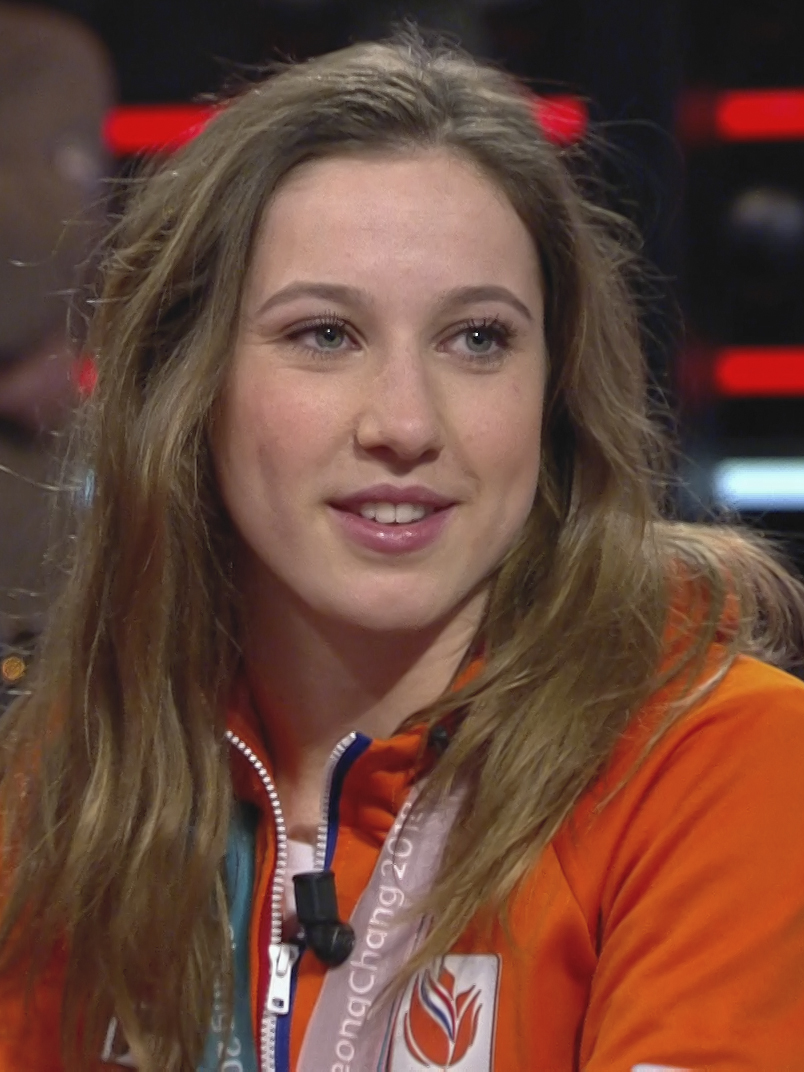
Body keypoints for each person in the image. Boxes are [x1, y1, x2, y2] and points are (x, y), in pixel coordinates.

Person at [1, 32, 804, 1072]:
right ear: (188, 385)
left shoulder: (717, 759)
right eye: (326, 335)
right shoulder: (74, 770)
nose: (406, 424)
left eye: (477, 339)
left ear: (555, 392)